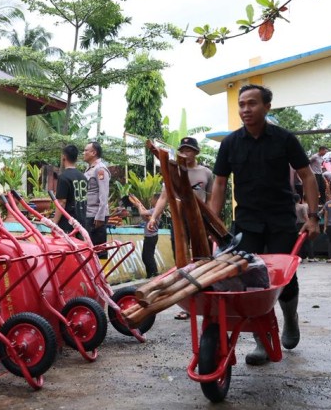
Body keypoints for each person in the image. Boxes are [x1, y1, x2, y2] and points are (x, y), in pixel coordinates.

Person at [209, 84, 320, 366]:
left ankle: (290, 319)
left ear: (267, 107)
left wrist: (313, 217)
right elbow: (220, 183)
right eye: (241, 104)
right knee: (251, 280)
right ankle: (262, 341)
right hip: (247, 222)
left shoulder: (284, 139)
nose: (246, 110)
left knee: (284, 278)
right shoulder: (231, 143)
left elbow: (308, 176)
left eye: (252, 104)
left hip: (281, 219)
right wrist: (213, 223)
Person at [147, 136, 214, 320]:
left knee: (204, 259)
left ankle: (208, 300)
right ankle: (187, 305)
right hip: (179, 221)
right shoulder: (173, 172)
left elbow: (211, 200)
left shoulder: (206, 173)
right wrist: (154, 217)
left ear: (196, 152)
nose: (185, 153)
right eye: (182, 150)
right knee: (182, 262)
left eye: (189, 150)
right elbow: (164, 197)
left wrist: (211, 226)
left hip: (200, 222)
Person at [82, 140, 111, 259]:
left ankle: (101, 276)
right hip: (89, 214)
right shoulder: (90, 169)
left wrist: (100, 217)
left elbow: (103, 194)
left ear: (94, 153)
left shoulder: (100, 169)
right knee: (90, 250)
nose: (83, 153)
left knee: (99, 251)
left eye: (86, 150)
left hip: (96, 216)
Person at [53, 144, 88, 234]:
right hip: (82, 224)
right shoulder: (83, 177)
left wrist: (54, 224)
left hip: (67, 225)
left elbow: (61, 202)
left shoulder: (63, 177)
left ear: (63, 157)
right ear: (76, 158)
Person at [129, 192, 161, 278]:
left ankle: (154, 273)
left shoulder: (155, 210)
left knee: (147, 256)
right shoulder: (153, 210)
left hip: (151, 236)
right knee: (146, 255)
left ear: (157, 200)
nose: (151, 200)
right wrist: (139, 205)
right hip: (150, 236)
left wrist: (139, 206)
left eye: (153, 199)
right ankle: (150, 274)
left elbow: (142, 213)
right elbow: (145, 217)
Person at [294, 193, 316, 262]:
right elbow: (305, 216)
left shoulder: (292, 207)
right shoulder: (302, 207)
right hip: (303, 225)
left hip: (295, 225)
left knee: (298, 242)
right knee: (308, 241)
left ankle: (300, 257)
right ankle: (311, 257)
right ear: (299, 199)